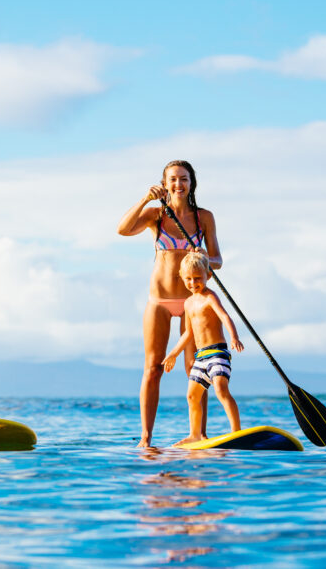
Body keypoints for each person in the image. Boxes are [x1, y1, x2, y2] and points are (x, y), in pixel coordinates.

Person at [117, 160, 223, 448]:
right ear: (165, 184)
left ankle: (198, 435)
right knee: (153, 367)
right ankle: (146, 439)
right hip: (160, 301)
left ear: (191, 183)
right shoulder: (156, 215)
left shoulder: (204, 218)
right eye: (173, 179)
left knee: (196, 367)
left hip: (194, 302)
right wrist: (144, 199)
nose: (178, 184)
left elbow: (218, 261)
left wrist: (204, 257)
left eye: (184, 179)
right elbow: (123, 230)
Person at [162, 252, 244, 445]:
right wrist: (173, 353)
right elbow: (188, 333)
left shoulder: (210, 297)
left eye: (198, 278)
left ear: (208, 275)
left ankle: (236, 431)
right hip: (201, 357)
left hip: (217, 353)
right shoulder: (188, 303)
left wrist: (234, 336)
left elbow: (225, 316)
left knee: (221, 388)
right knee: (192, 395)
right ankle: (195, 434)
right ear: (182, 277)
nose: (193, 283)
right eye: (188, 279)